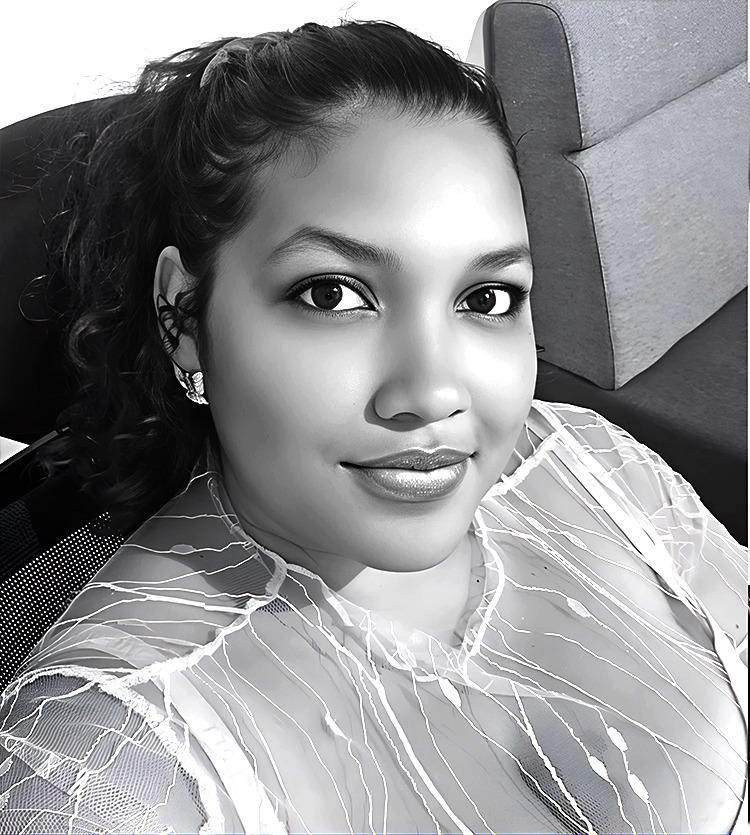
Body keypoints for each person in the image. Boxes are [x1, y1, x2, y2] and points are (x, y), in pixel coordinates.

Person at [0, 20, 746, 835]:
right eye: (332, 294)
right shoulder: (104, 773)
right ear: (182, 313)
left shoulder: (593, 463)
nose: (432, 393)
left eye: (485, 297)